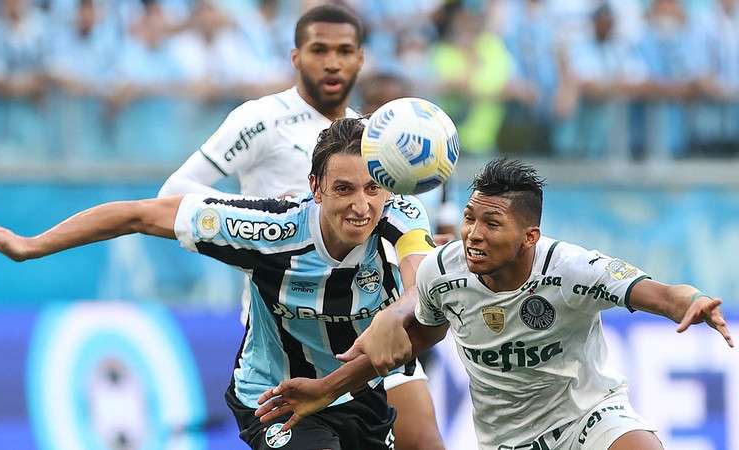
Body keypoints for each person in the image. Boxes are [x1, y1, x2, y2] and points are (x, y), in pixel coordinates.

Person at [0, 118, 436, 450]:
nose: (361, 205)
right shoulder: (268, 231)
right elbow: (138, 215)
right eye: (343, 189)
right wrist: (30, 245)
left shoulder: (401, 217)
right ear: (315, 187)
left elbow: (421, 282)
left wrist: (399, 313)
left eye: (373, 188)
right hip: (277, 396)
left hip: (361, 393)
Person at [254, 158, 735, 450]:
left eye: (491, 223)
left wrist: (691, 301)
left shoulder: (571, 268)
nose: (473, 235)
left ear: (529, 236)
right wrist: (327, 388)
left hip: (587, 416)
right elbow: (403, 347)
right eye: (468, 218)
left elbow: (657, 293)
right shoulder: (443, 273)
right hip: (507, 440)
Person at [157, 4, 444, 449]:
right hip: (290, 312)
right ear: (296, 57)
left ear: (361, 59)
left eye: (344, 51)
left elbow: (403, 220)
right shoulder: (259, 119)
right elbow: (175, 192)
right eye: (319, 50)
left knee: (424, 442)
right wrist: (269, 214)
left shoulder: (371, 135)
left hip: (374, 314)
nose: (332, 62)